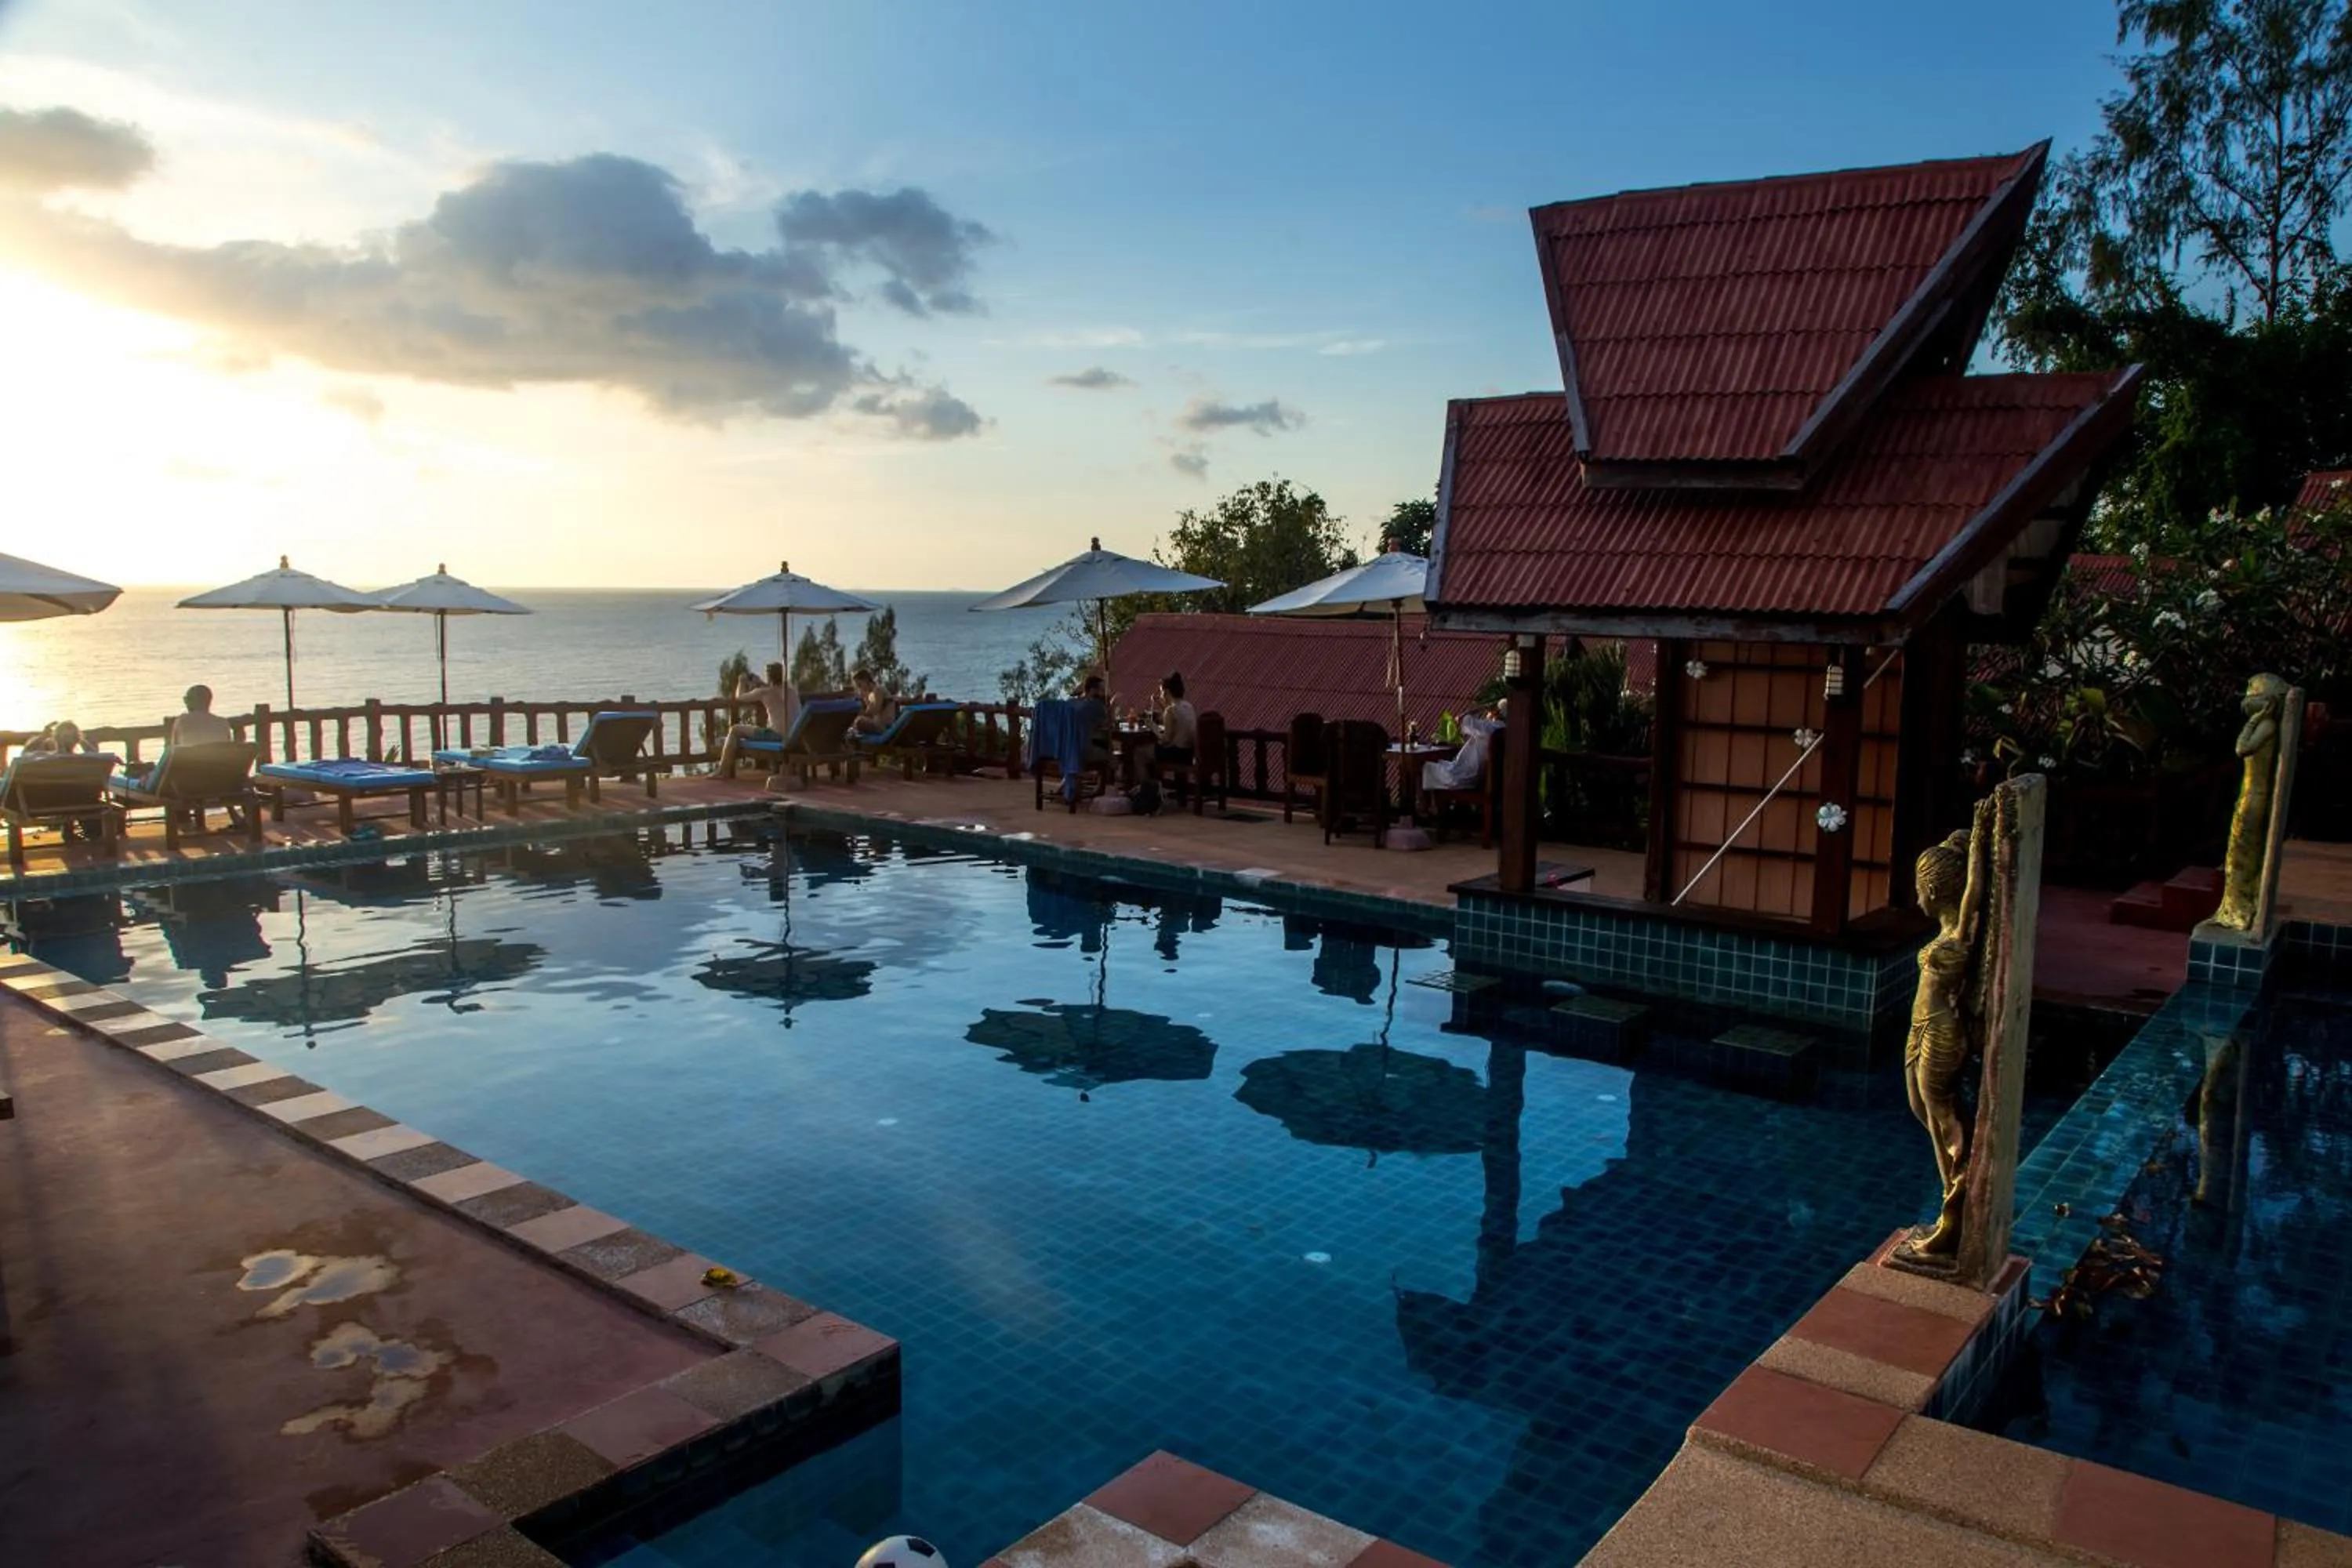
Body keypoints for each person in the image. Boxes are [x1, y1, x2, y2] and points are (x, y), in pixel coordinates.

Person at [717, 661, 797, 780]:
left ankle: (723, 770)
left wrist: (741, 681)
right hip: (795, 734)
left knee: (735, 730)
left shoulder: (764, 692)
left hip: (777, 735)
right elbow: (776, 690)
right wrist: (760, 683)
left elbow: (740, 697)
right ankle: (723, 770)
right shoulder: (791, 690)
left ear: (769, 676)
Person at [1421, 706, 1502, 793]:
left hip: (1465, 776)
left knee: (1425, 767)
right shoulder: (1501, 728)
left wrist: (1477, 709)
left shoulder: (1491, 727)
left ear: (1495, 713)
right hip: (1475, 775)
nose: (1486, 715)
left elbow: (1464, 720)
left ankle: (1423, 804)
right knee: (1437, 766)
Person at [169, 685, 236, 748]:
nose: (186, 702)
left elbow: (173, 750)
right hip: (218, 759)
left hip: (191, 759)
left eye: (187, 699)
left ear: (192, 701)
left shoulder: (182, 721)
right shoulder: (223, 723)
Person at [851, 666, 899, 736]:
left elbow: (874, 711)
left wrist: (858, 714)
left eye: (860, 685)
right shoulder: (871, 694)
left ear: (866, 680)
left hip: (885, 726)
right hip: (879, 723)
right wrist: (865, 698)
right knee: (854, 723)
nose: (859, 688)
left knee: (858, 721)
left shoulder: (878, 690)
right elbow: (870, 712)